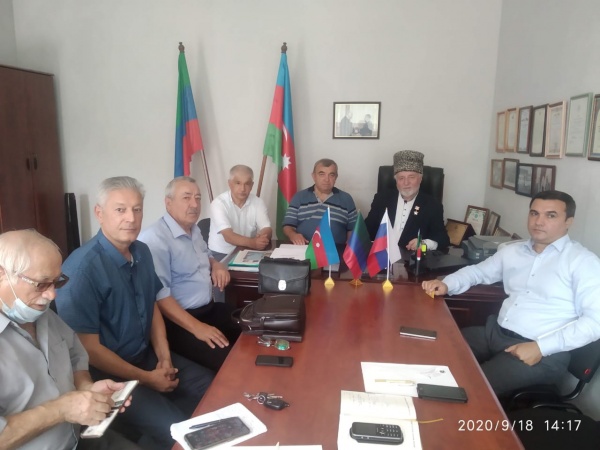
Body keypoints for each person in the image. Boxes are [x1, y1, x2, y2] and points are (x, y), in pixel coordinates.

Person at [55, 176, 214, 450]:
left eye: (137, 209)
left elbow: (152, 306)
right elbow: (89, 350)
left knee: (211, 387)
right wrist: (148, 378)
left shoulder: (141, 251)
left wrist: (164, 358)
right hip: (109, 375)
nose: (131, 218)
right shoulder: (81, 270)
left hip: (145, 356)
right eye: (120, 210)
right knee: (176, 429)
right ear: (99, 213)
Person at [422, 190, 600, 397]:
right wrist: (447, 284)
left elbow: (595, 321)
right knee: (433, 351)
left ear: (569, 221)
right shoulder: (513, 251)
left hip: (541, 351)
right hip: (495, 333)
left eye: (550, 215)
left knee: (470, 388)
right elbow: (478, 272)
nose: (539, 221)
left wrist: (541, 347)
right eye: (534, 213)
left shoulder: (583, 262)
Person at [0, 229, 141, 450]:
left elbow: (76, 357)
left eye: (57, 282)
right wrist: (62, 409)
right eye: (41, 284)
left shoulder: (42, 314)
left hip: (79, 437)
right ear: (2, 274)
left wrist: (86, 388)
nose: (52, 295)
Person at [138, 176, 240, 372]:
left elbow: (206, 254)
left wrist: (216, 265)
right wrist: (197, 328)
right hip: (179, 322)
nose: (194, 204)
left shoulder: (194, 229)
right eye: (186, 198)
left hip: (207, 309)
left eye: (198, 198)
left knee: (250, 326)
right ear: (168, 203)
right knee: (228, 362)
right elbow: (160, 297)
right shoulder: (155, 239)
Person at [365, 150, 450, 252]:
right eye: (401, 178)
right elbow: (366, 230)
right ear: (396, 181)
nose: (406, 183)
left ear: (420, 179)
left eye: (411, 177)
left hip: (410, 258)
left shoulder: (432, 205)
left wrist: (424, 243)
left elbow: (443, 239)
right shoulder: (381, 199)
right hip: (381, 256)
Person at [282, 158, 357, 245]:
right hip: (304, 248)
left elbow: (353, 229)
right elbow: (288, 225)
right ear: (314, 176)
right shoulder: (299, 197)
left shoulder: (346, 199)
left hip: (336, 250)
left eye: (331, 175)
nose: (326, 179)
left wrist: (350, 245)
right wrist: (293, 235)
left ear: (336, 177)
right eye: (322, 174)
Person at [208, 165, 272, 261]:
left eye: (247, 184)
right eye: (238, 183)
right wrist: (253, 243)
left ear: (252, 185)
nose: (242, 189)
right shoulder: (218, 203)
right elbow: (228, 236)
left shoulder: (258, 202)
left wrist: (263, 238)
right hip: (221, 253)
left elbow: (267, 228)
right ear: (230, 184)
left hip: (248, 250)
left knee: (267, 268)